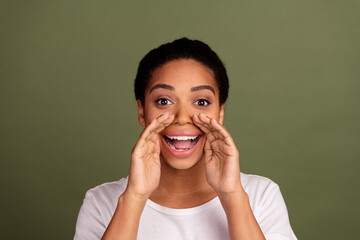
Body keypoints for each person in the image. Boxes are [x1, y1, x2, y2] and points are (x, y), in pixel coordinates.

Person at [74, 38, 297, 240]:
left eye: (201, 102)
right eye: (163, 101)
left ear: (220, 112)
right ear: (142, 111)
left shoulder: (262, 196)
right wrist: (134, 197)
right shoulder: (101, 202)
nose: (182, 118)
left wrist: (232, 196)